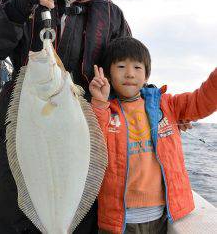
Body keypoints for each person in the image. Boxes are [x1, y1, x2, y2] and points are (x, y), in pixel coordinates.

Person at [0, 0, 131, 233]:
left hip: (78, 151)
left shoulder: (113, 16)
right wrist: (16, 10)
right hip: (23, 139)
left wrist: (155, 107)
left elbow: (128, 76)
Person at [89, 37, 217, 234]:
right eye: (121, 66)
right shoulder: (104, 112)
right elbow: (92, 141)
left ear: (147, 75)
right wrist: (99, 102)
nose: (130, 74)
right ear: (108, 74)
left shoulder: (167, 105)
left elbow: (201, 101)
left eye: (137, 68)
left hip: (162, 216)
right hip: (118, 222)